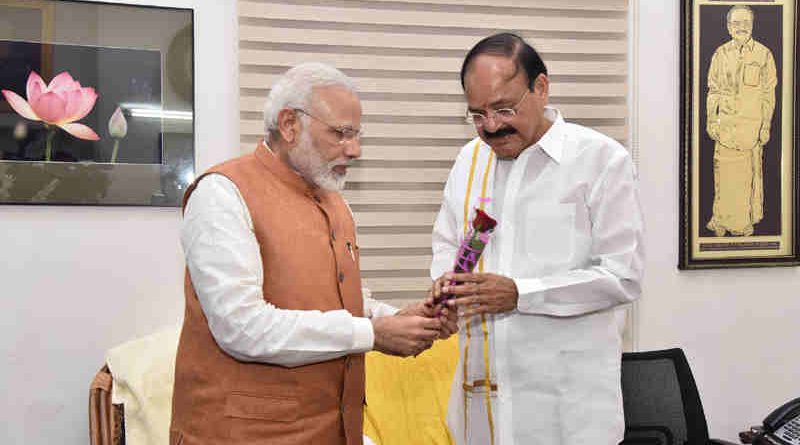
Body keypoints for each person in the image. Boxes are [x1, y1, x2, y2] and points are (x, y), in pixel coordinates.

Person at [169, 62, 456, 445]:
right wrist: (373, 333)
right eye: (341, 134)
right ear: (289, 125)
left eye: (356, 135)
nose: (354, 150)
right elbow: (241, 327)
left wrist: (404, 319)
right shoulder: (222, 194)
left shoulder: (336, 203)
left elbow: (339, 300)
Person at [429, 33, 645, 445]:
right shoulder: (469, 160)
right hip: (480, 411)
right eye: (477, 114)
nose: (491, 126)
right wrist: (446, 287)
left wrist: (521, 294)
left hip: (566, 417)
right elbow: (447, 243)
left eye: (503, 108)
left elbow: (624, 275)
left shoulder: (600, 160)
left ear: (541, 88)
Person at [706, 5, 777, 237]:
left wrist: (766, 125)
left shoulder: (764, 55)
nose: (741, 28)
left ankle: (742, 224)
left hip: (751, 131)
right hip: (725, 129)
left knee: (747, 178)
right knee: (723, 178)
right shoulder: (720, 54)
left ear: (752, 25)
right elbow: (713, 91)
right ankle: (721, 220)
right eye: (736, 23)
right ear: (728, 27)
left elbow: (769, 94)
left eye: (746, 23)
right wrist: (711, 121)